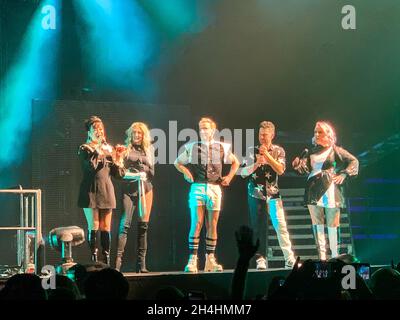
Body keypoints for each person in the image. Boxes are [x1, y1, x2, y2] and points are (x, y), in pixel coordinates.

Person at [174, 117, 240, 273]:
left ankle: (210, 259)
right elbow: (177, 162)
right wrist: (186, 172)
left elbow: (235, 162)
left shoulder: (222, 147)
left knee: (212, 224)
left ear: (213, 130)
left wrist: (229, 177)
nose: (203, 131)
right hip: (197, 187)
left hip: (215, 188)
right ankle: (192, 260)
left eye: (206, 128)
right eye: (201, 128)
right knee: (197, 223)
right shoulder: (192, 146)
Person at [292, 121, 359, 260]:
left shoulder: (336, 150)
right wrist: (297, 165)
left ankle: (335, 255)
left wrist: (344, 174)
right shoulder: (309, 151)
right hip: (313, 188)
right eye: (315, 132)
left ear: (328, 134)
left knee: (333, 223)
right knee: (317, 223)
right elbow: (303, 169)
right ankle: (322, 256)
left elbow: (354, 161)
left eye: (320, 132)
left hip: (330, 189)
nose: (316, 134)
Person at [241, 121, 296, 269]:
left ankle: (289, 258)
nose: (262, 138)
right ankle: (261, 258)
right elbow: (242, 173)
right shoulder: (251, 150)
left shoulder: (279, 151)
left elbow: (280, 170)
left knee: (280, 225)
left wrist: (267, 156)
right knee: (258, 226)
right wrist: (257, 164)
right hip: (255, 193)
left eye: (265, 135)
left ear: (272, 135)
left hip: (273, 193)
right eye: (260, 135)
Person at [78, 116, 125, 265]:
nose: (99, 131)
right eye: (95, 129)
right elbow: (90, 168)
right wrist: (99, 150)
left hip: (106, 189)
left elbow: (119, 175)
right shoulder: (85, 148)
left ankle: (106, 261)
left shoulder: (108, 148)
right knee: (95, 225)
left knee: (106, 227)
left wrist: (117, 158)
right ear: (89, 132)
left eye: (101, 129)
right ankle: (94, 261)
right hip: (91, 189)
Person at [115, 122, 154, 273]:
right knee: (125, 225)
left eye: (139, 133)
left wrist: (144, 171)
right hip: (129, 188)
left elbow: (152, 171)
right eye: (134, 132)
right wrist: (134, 174)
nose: (137, 135)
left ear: (143, 135)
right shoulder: (125, 150)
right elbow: (119, 172)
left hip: (146, 188)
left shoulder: (149, 149)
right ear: (130, 134)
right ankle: (117, 265)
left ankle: (141, 264)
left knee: (143, 226)